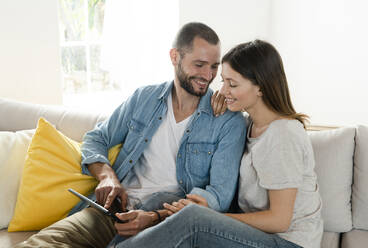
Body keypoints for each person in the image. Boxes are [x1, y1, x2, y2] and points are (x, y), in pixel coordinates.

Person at [15, 23, 246, 248]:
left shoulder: (227, 120)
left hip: (167, 221)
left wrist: (155, 216)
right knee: (41, 242)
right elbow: (97, 138)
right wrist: (107, 176)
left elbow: (218, 197)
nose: (208, 75)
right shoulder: (144, 98)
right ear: (175, 56)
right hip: (113, 210)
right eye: (199, 65)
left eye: (215, 66)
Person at [113, 40, 323, 248]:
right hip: (258, 235)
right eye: (222, 81)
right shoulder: (249, 124)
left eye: (232, 84)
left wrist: (213, 217)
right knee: (160, 200)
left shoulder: (283, 134)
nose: (222, 91)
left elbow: (280, 220)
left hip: (288, 242)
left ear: (260, 87)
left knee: (193, 219)